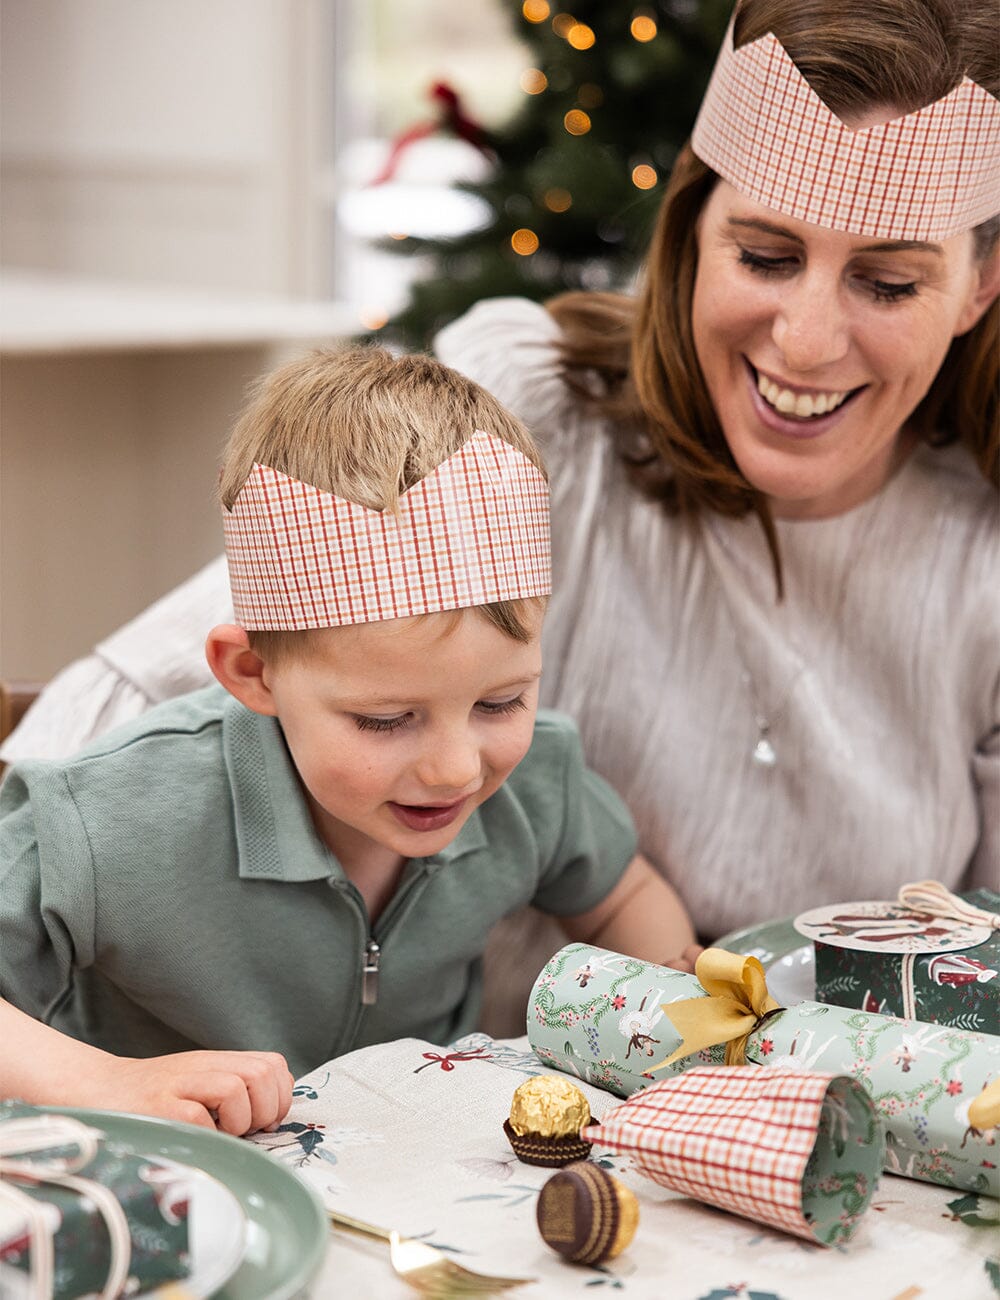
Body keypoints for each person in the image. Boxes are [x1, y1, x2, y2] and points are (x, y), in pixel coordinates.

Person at [4, 0, 998, 1018]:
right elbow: (151, 680)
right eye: (765, 255)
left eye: (884, 280)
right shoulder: (531, 419)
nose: (803, 341)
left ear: (979, 285)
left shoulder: (982, 558)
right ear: (693, 233)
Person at [0, 347, 698, 1133]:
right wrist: (100, 1081)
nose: (455, 768)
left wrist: (670, 1031)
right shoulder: (106, 817)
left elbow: (623, 898)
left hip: (425, 1177)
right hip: (180, 1186)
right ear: (253, 671)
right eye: (384, 720)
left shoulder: (540, 779)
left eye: (501, 701)